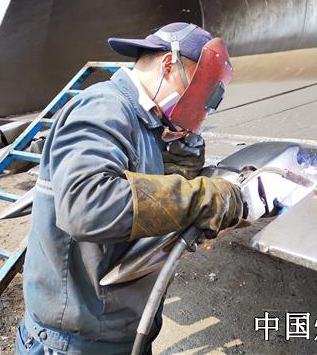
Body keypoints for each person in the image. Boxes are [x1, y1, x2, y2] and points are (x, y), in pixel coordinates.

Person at [15, 23, 245, 354]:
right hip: (73, 343)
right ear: (169, 65)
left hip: (116, 330)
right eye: (203, 90)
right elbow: (87, 205)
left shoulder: (147, 123)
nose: (204, 106)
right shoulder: (104, 107)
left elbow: (149, 202)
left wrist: (182, 158)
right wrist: (206, 198)